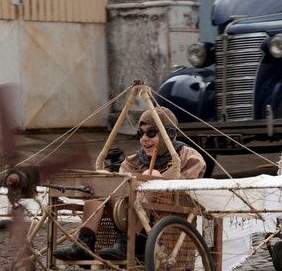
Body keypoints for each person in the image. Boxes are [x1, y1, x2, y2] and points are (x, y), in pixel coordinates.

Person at [53, 106, 206, 261]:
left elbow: (186, 189)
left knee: (150, 175)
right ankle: (84, 244)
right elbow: (121, 190)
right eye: (140, 133)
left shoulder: (188, 157)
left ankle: (130, 242)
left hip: (162, 223)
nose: (144, 138)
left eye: (151, 133)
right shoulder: (132, 161)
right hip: (125, 218)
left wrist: (154, 178)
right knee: (101, 179)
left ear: (169, 134)